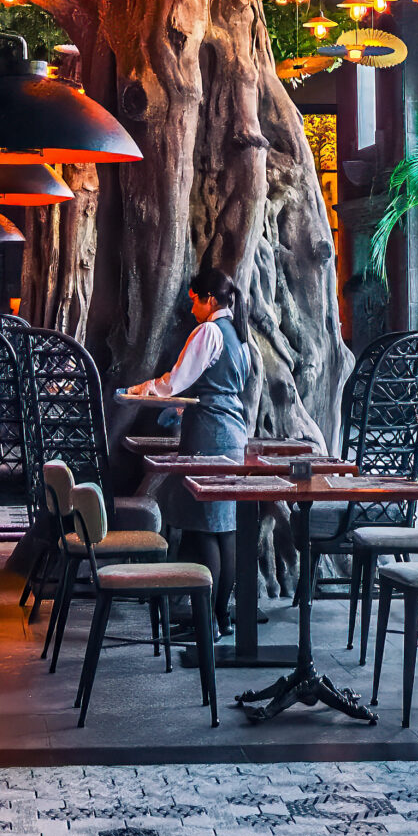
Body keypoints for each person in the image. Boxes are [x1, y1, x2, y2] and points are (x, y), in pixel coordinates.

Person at [126, 265, 250, 632]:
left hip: (209, 431)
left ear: (209, 299)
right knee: (224, 526)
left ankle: (206, 619)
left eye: (193, 299)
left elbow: (175, 381)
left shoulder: (209, 330)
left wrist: (140, 389)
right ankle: (222, 616)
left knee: (205, 527)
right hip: (233, 431)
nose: (191, 307)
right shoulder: (240, 335)